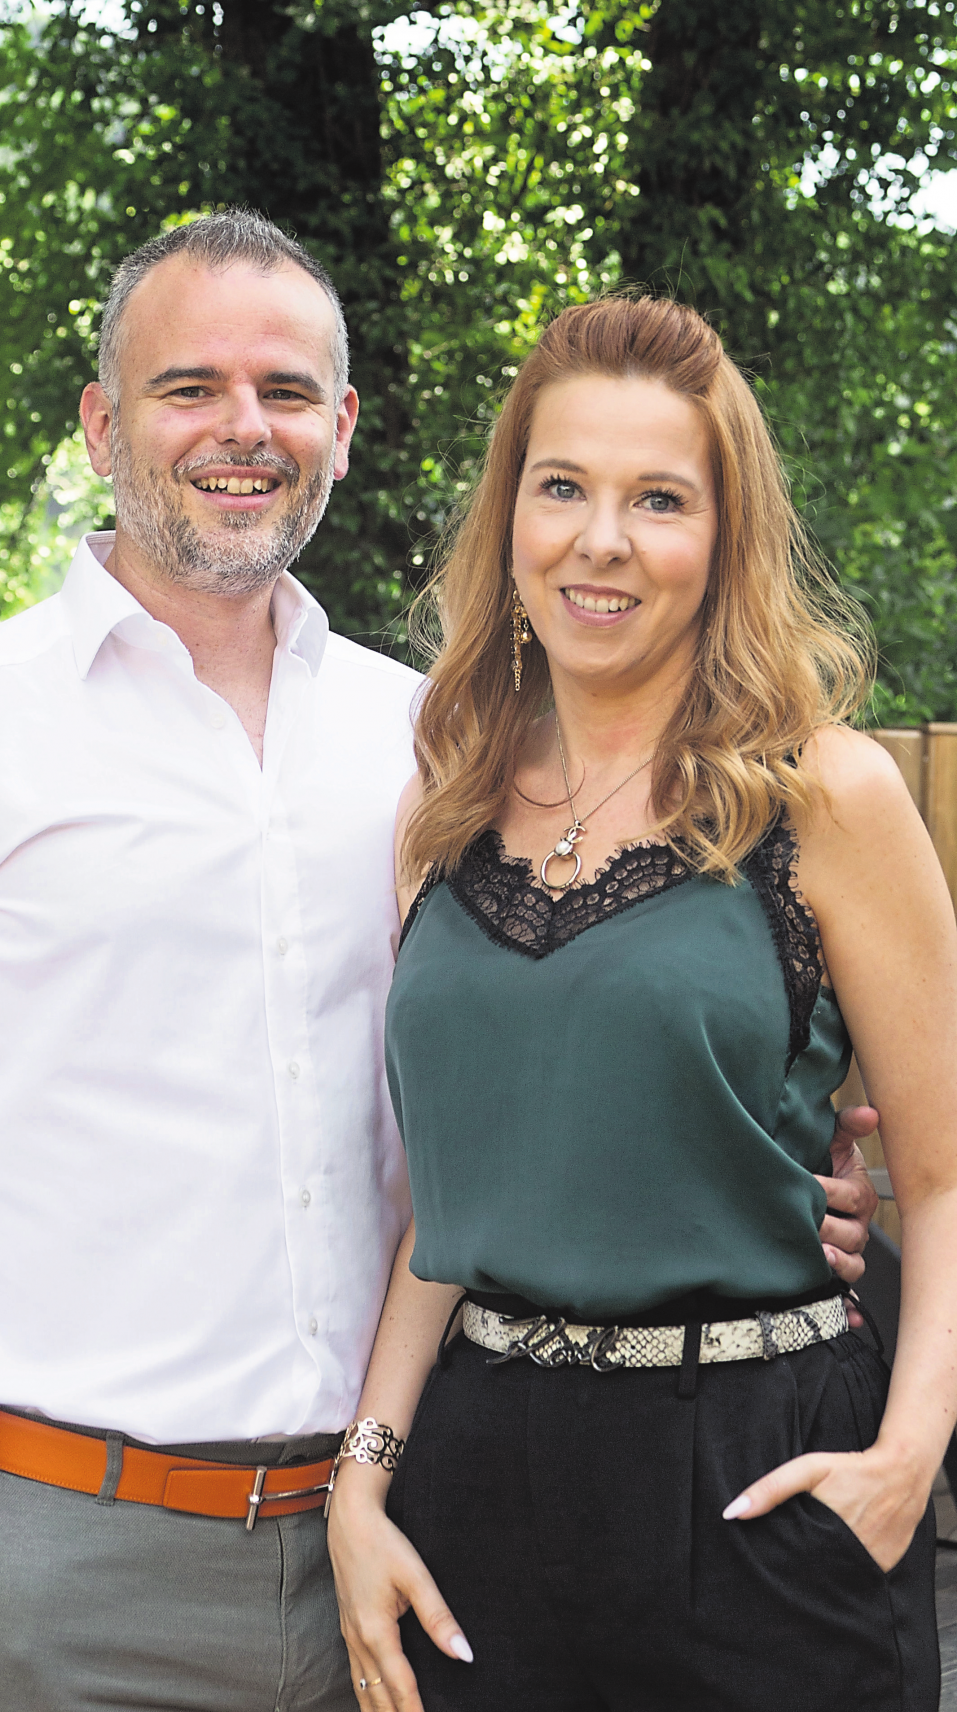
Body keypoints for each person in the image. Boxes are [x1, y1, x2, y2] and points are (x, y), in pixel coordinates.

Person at [0, 225, 874, 1712]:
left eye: (288, 390)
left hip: (428, 1539)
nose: (245, 429)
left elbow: (511, 1095)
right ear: (103, 423)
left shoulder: (437, 745)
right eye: (189, 387)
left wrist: (747, 1182)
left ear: (343, 432)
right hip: (75, 1569)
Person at [326, 295, 952, 1712]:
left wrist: (910, 1456)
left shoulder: (825, 795)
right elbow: (453, 1190)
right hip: (477, 1481)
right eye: (563, 488)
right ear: (511, 518)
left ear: (724, 540)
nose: (600, 540)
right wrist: (362, 1485)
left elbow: (948, 1174)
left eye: (658, 498)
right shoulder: (446, 795)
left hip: (763, 1471)